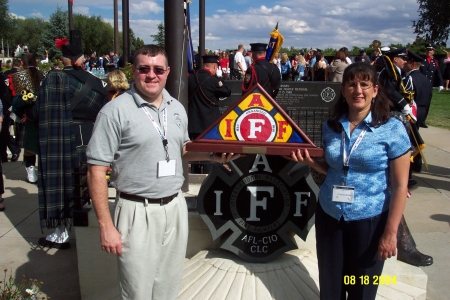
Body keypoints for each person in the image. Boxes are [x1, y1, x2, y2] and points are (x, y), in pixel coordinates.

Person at [86, 44, 237, 300]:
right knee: (137, 291)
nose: (151, 75)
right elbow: (96, 170)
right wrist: (106, 225)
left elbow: (182, 150)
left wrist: (212, 155)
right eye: (144, 69)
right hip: (136, 212)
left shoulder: (176, 108)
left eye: (158, 69)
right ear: (134, 71)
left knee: (168, 287)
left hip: (174, 207)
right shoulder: (114, 111)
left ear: (167, 72)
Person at [291, 62, 410, 299]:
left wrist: (390, 232)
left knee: (361, 289)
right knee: (331, 287)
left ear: (375, 90)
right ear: (343, 90)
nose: (358, 90)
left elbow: (399, 186)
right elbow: (335, 169)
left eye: (364, 84)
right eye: (351, 84)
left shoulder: (392, 129)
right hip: (330, 215)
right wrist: (310, 162)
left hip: (370, 219)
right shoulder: (331, 127)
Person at [21, 37, 109, 249]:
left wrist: (29, 105)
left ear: (63, 60)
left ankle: (61, 233)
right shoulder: (96, 81)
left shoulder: (54, 79)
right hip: (89, 137)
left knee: (62, 185)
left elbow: (37, 112)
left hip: (63, 137)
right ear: (81, 59)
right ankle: (96, 227)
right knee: (86, 184)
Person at [377, 48, 433, 267]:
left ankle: (404, 244)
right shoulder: (386, 72)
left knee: (393, 188)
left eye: (366, 86)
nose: (359, 91)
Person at [10, 53, 47, 183]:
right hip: (44, 114)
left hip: (27, 115)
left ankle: (31, 172)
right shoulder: (45, 74)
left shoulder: (18, 76)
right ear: (36, 62)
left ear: (22, 64)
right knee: (44, 145)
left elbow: (20, 99)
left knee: (29, 146)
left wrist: (16, 112)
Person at [403, 50, 432, 173]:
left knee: (410, 139)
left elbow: (408, 97)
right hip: (422, 110)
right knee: (416, 138)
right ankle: (417, 164)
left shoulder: (409, 78)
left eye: (406, 62)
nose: (404, 65)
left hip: (413, 111)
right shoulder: (425, 79)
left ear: (412, 64)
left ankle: (410, 166)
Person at [1, 59, 22, 162]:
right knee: (5, 130)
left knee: (4, 131)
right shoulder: (19, 75)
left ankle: (13, 149)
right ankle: (5, 153)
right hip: (11, 107)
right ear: (20, 65)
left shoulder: (5, 74)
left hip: (6, 107)